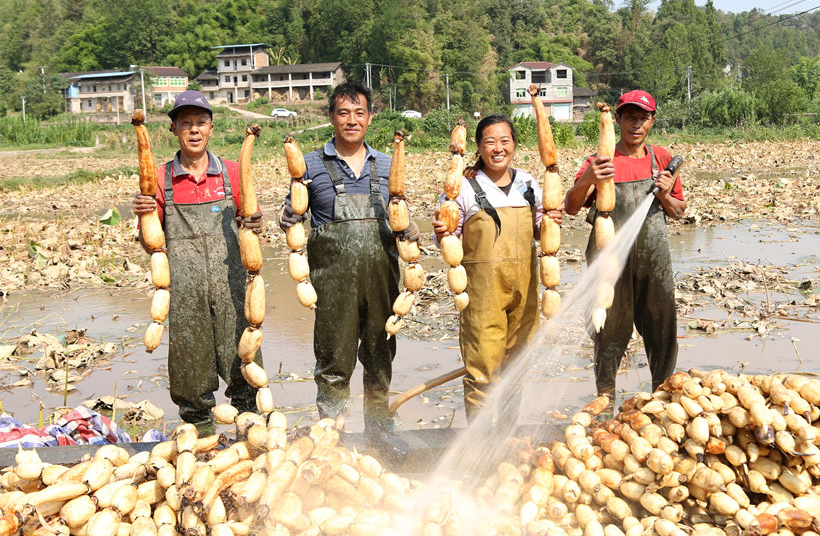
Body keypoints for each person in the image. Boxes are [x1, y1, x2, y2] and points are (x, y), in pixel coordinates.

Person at [279, 82, 419, 463]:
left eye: (359, 113)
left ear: (370, 118)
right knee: (333, 364)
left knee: (379, 360)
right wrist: (286, 217)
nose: (352, 120)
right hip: (331, 285)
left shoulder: (389, 166)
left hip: (381, 283)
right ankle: (331, 440)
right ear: (331, 117)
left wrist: (413, 231)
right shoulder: (307, 165)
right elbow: (291, 214)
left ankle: (379, 434)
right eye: (343, 112)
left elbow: (402, 218)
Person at [132, 90, 263, 432]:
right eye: (185, 123)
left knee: (244, 369)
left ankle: (249, 441)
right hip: (185, 296)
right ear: (173, 129)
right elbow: (151, 246)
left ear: (211, 128)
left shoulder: (232, 173)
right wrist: (145, 216)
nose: (193, 130)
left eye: (200, 123)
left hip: (233, 289)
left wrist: (255, 222)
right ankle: (201, 439)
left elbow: (252, 225)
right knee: (191, 379)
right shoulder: (160, 181)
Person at [432, 115, 563, 429]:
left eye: (505, 140)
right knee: (482, 368)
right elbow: (447, 237)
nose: (498, 148)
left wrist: (551, 219)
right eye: (490, 141)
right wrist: (441, 231)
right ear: (478, 146)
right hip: (482, 295)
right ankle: (476, 444)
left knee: (517, 365)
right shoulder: (462, 186)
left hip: (526, 291)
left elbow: (539, 232)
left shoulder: (529, 183)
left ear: (514, 144)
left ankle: (506, 435)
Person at [564, 90, 686, 412]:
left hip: (653, 263)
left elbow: (678, 211)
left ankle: (662, 405)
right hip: (609, 266)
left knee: (662, 332)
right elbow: (571, 207)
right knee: (607, 336)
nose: (636, 124)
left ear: (652, 121)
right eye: (629, 117)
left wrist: (665, 195)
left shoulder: (661, 159)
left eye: (642, 118)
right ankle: (605, 405)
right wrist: (588, 178)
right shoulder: (599, 161)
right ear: (617, 120)